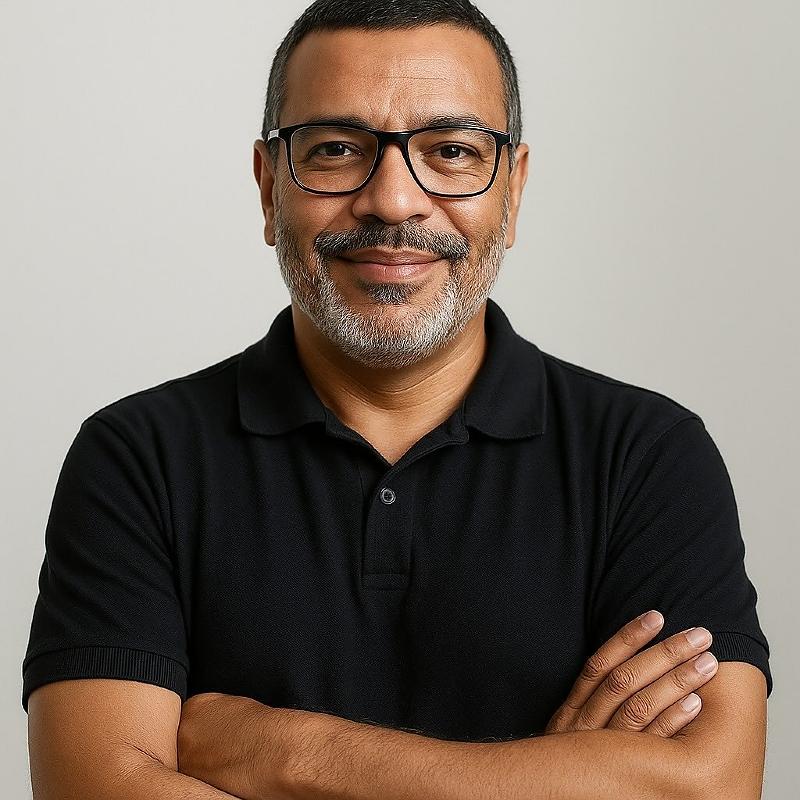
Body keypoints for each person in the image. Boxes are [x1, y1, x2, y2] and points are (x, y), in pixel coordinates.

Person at [24, 1, 772, 798]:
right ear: (268, 187)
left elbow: (711, 786)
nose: (392, 201)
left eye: (450, 151)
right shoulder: (138, 458)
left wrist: (288, 755)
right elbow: (95, 787)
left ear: (513, 190)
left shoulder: (646, 456)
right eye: (336, 149)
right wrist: (548, 782)